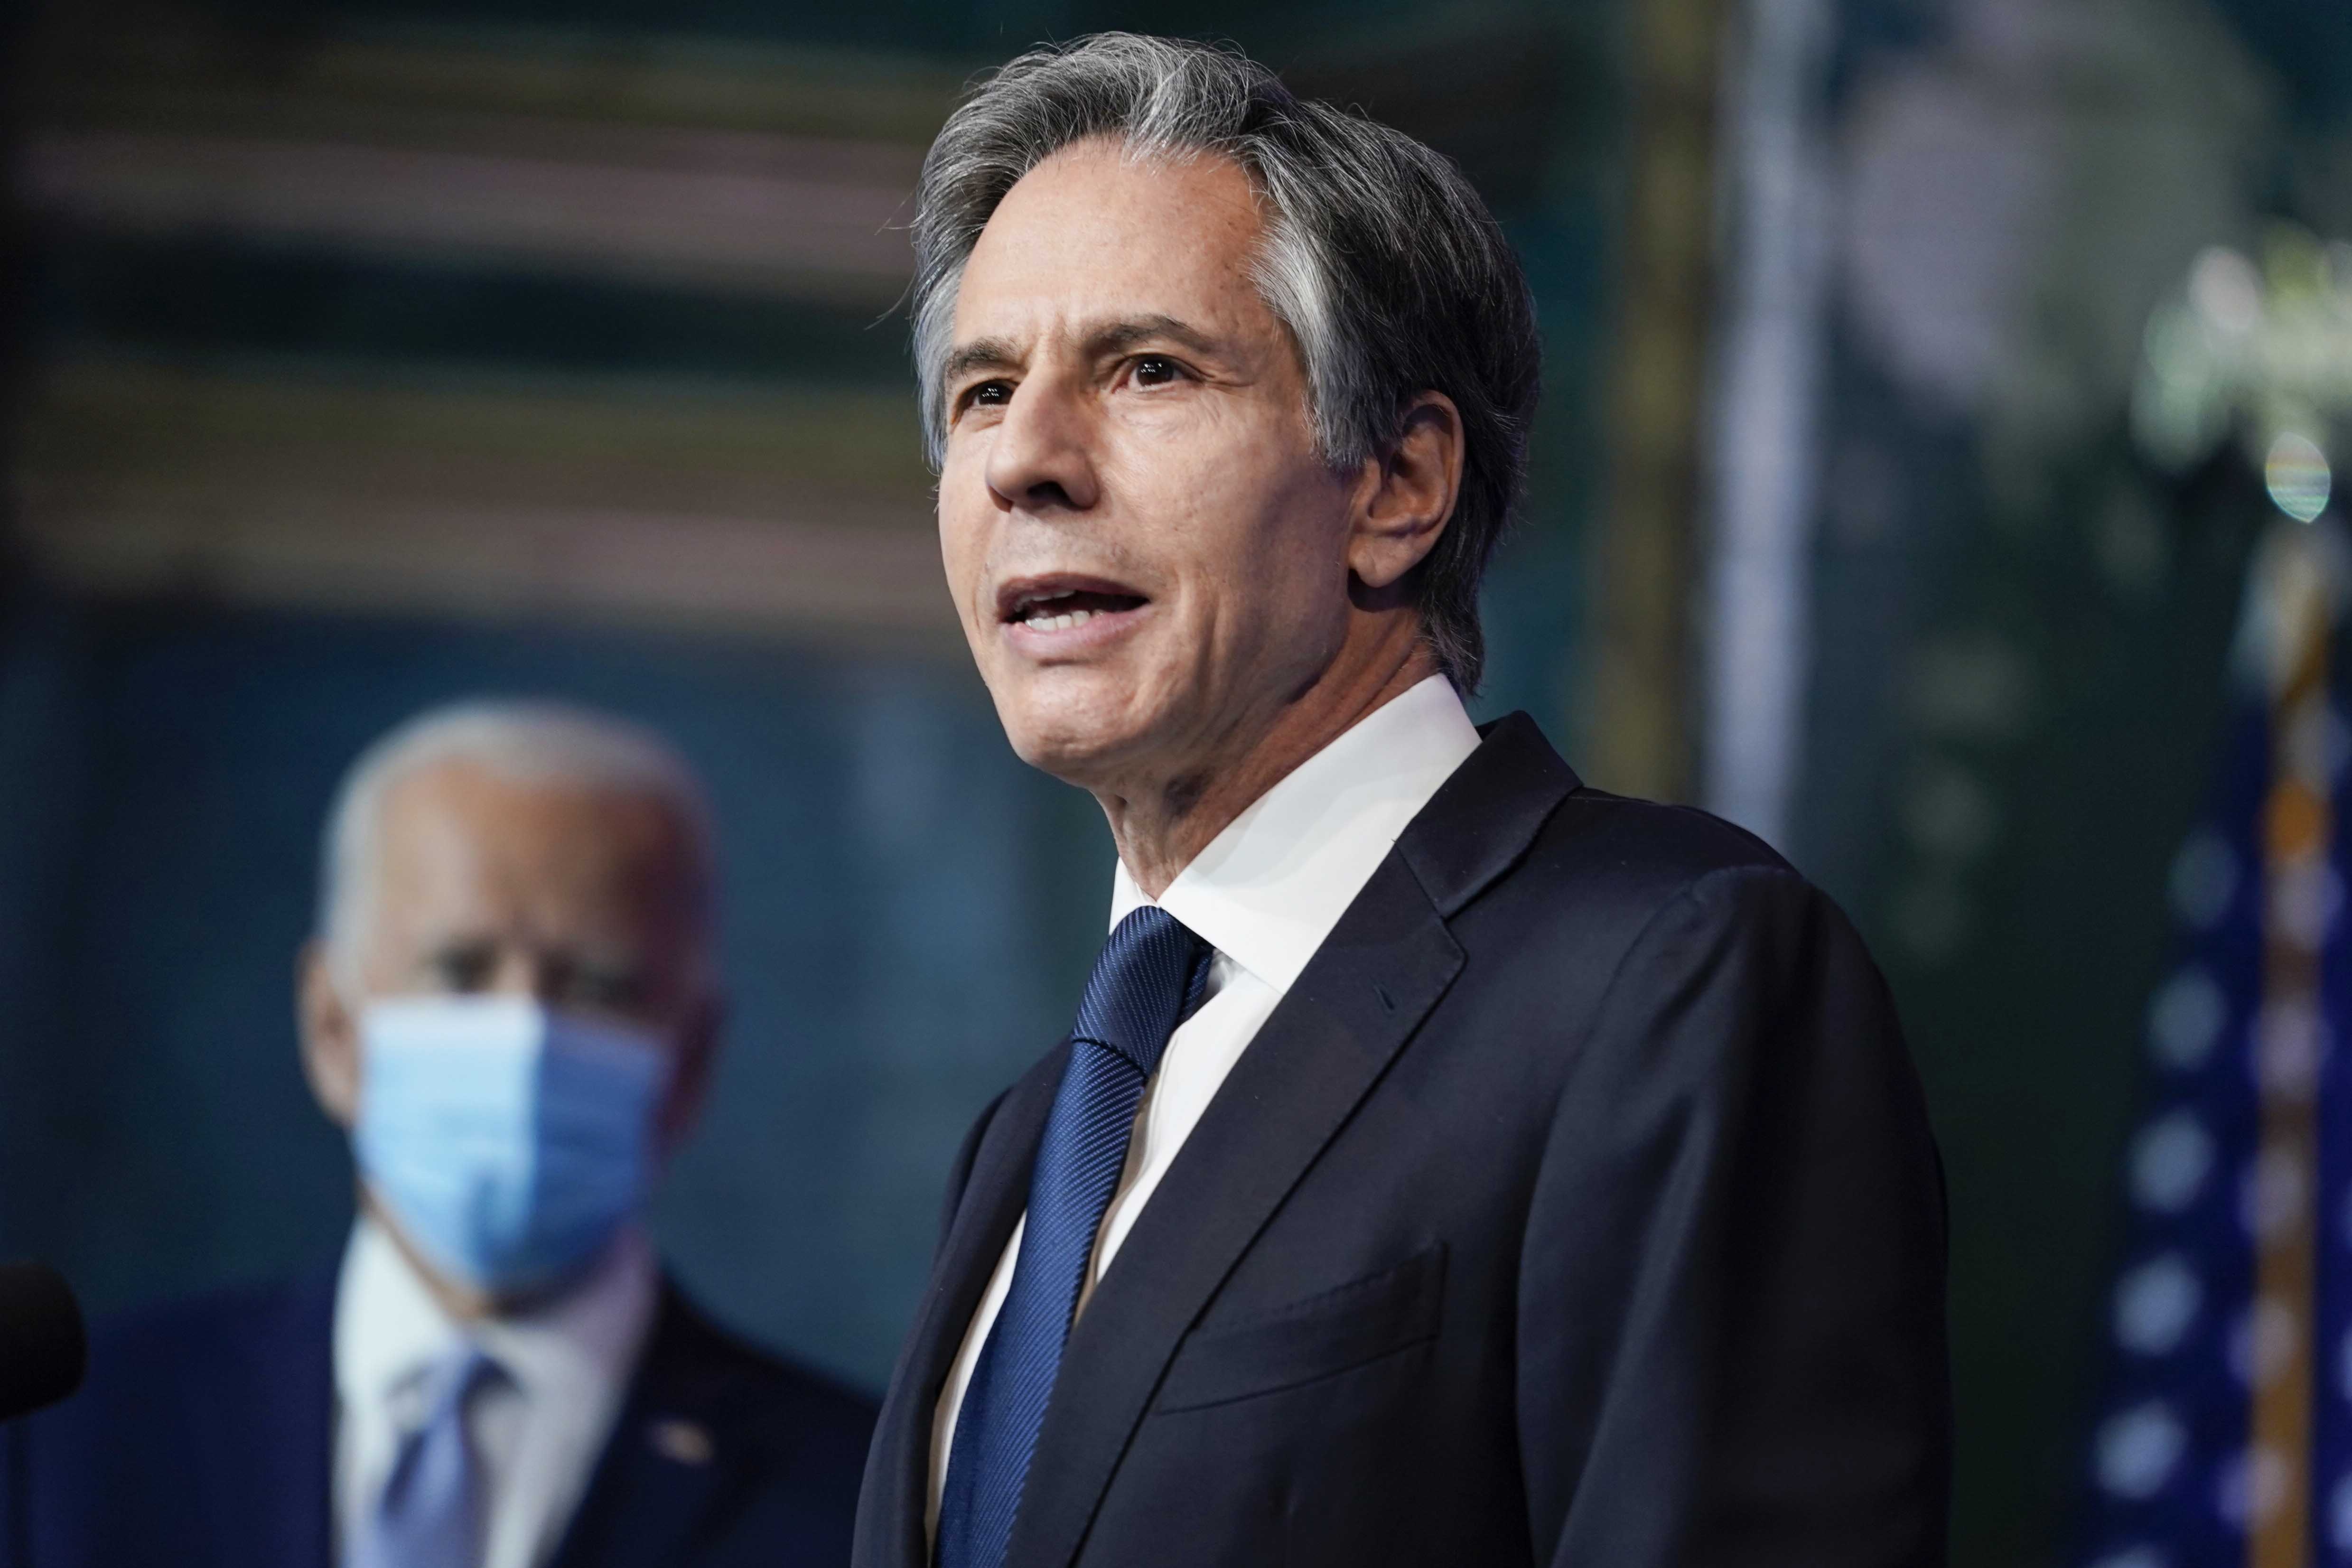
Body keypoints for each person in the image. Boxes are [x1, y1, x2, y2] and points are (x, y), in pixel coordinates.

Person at [854, 33, 1950, 1568]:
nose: (1025, 459)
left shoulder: (1667, 976)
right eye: (981, 390)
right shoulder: (1037, 1128)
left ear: (1395, 487)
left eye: (1146, 368)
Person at [1, 701, 875, 1568]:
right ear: (332, 1027)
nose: (524, 1032)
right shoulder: (67, 1435)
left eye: (600, 987)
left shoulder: (864, 1500)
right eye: (459, 970)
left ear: (688, 1064)